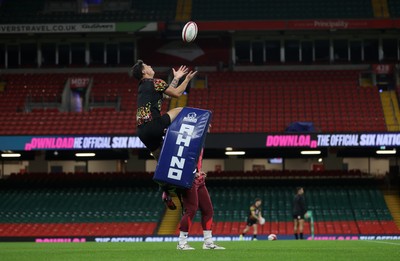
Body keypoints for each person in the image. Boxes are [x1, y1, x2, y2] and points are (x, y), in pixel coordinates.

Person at [132, 60, 197, 209]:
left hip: (142, 132)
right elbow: (176, 93)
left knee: (163, 164)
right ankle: (184, 135)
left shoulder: (143, 86)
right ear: (144, 72)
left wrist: (175, 78)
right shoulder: (155, 82)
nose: (150, 66)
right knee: (182, 110)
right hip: (154, 126)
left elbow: (166, 96)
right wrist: (186, 79)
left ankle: (166, 192)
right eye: (147, 66)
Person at [176, 126, 225, 250]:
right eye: (207, 124)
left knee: (208, 209)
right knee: (191, 209)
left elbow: (195, 160)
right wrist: (192, 172)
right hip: (188, 179)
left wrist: (199, 171)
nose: (209, 126)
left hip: (199, 180)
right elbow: (182, 158)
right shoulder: (190, 140)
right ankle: (181, 243)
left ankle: (208, 243)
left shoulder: (200, 140)